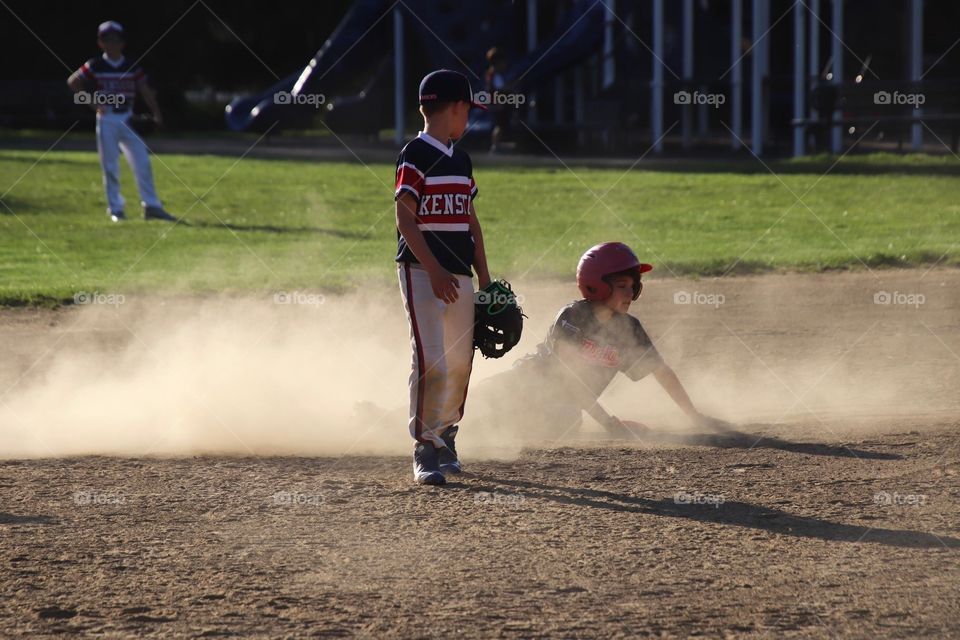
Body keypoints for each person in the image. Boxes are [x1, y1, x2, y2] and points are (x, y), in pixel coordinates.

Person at [483, 242, 728, 439]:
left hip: (560, 412)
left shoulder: (629, 329)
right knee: (470, 407)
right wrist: (610, 424)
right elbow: (567, 378)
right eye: (621, 285)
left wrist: (693, 415)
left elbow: (661, 371)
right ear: (595, 287)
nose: (629, 293)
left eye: (634, 286)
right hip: (521, 388)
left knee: (563, 420)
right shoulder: (573, 317)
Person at [394, 69, 490, 486]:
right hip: (420, 271)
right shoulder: (414, 154)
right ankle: (424, 445)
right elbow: (404, 217)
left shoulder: (462, 160)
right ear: (454, 108)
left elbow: (471, 220)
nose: (468, 118)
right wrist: (432, 270)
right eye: (468, 109)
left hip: (459, 273)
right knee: (431, 357)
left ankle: (447, 434)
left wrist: (485, 277)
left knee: (460, 361)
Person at [67, 21, 175, 223]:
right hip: (107, 118)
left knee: (142, 161)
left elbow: (145, 90)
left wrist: (156, 113)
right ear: (101, 43)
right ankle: (116, 208)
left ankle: (151, 205)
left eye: (116, 40)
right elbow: (73, 82)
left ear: (122, 43)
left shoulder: (131, 66)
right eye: (107, 40)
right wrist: (91, 103)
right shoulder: (96, 65)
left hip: (128, 117)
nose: (112, 44)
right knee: (110, 165)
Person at [484, 47, 510, 154]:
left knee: (499, 125)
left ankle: (496, 145)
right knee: (499, 125)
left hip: (495, 103)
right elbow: (499, 89)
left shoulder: (491, 74)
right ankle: (495, 146)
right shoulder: (495, 75)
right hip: (497, 104)